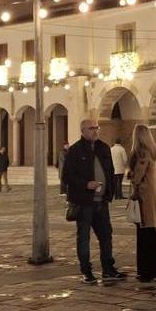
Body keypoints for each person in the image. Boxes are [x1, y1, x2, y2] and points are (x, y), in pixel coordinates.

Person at [62, 119, 126, 284]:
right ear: (83, 130)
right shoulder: (75, 150)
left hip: (101, 201)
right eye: (91, 128)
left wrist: (109, 191)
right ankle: (86, 271)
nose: (95, 131)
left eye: (96, 128)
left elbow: (110, 171)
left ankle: (108, 269)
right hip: (84, 202)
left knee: (106, 236)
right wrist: (85, 184)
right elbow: (67, 176)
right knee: (83, 237)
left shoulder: (103, 148)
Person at [128, 124, 156, 282]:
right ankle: (153, 269)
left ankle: (146, 270)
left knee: (144, 233)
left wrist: (132, 176)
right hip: (150, 194)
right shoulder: (152, 151)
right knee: (149, 232)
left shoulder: (142, 152)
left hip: (143, 195)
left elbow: (138, 175)